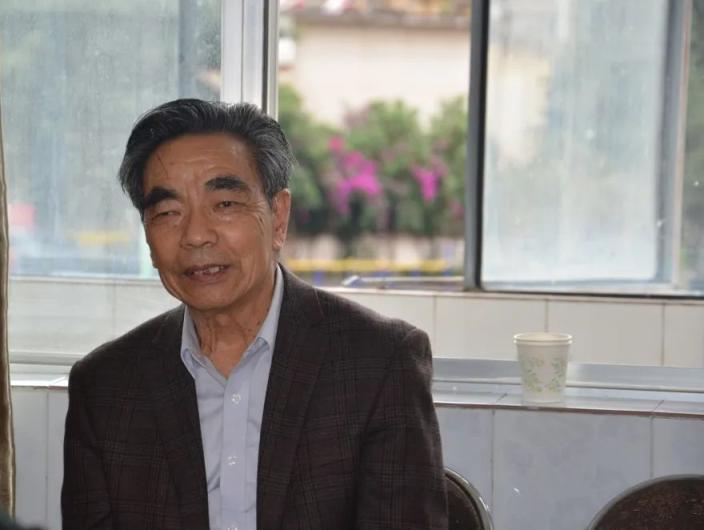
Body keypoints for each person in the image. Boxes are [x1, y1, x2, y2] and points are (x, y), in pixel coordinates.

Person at [61, 99, 448, 529]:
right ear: (148, 238)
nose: (196, 235)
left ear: (278, 217)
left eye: (225, 204)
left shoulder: (379, 363)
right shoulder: (105, 387)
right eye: (168, 212)